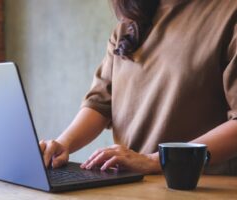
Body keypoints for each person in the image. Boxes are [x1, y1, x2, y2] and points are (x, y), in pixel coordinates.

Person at [39, 0, 237, 175]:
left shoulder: (229, 12)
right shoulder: (128, 26)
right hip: (131, 185)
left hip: (202, 187)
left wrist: (155, 160)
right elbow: (99, 104)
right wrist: (62, 145)